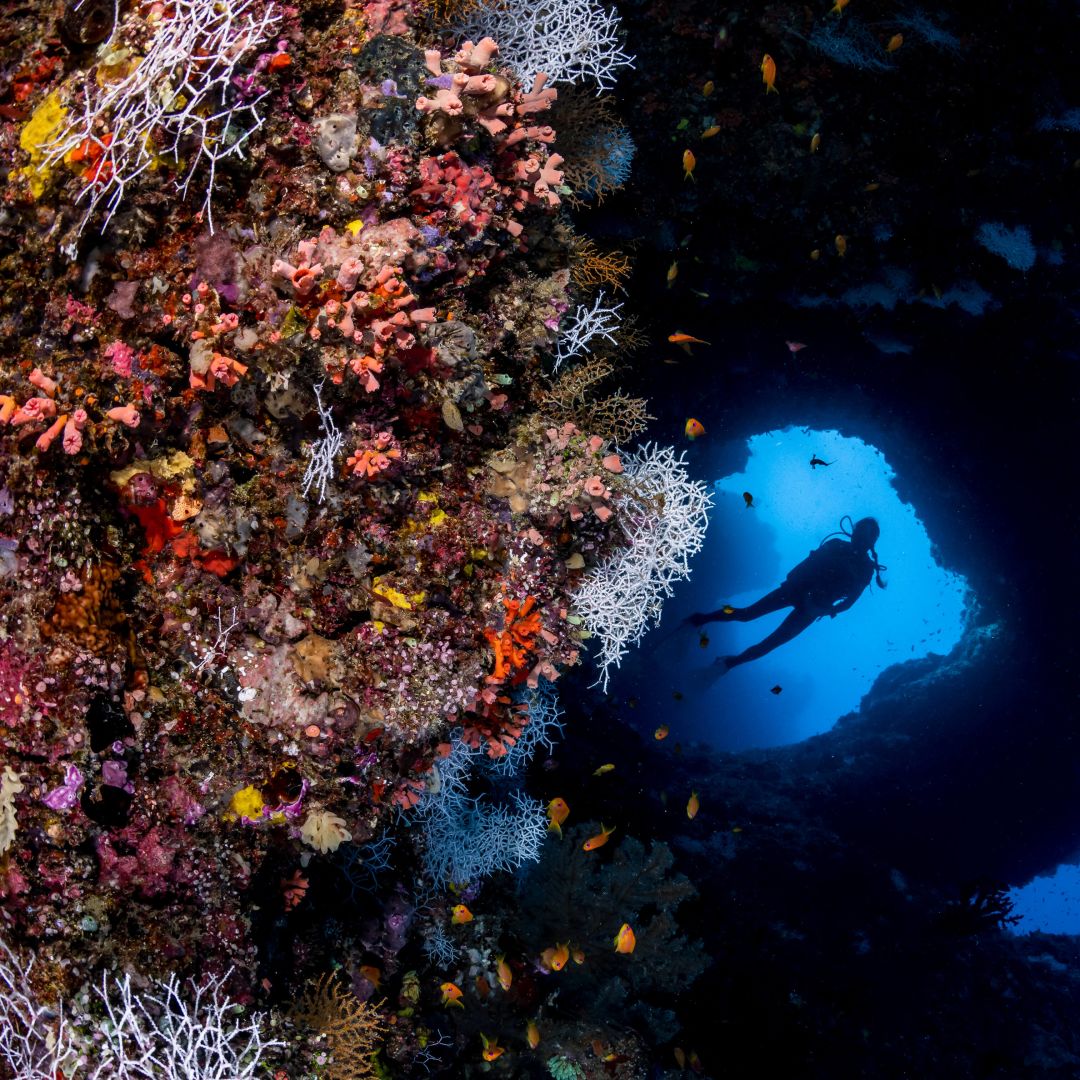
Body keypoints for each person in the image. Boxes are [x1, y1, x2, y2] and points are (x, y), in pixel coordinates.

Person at [690, 516, 887, 673]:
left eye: (866, 537)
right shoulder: (836, 545)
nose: (860, 539)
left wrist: (824, 609)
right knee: (747, 615)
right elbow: (808, 563)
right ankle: (702, 619)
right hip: (796, 591)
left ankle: (730, 663)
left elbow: (848, 603)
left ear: (873, 542)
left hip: (812, 608)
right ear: (854, 532)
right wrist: (793, 583)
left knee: (770, 643)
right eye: (859, 533)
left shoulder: (866, 568)